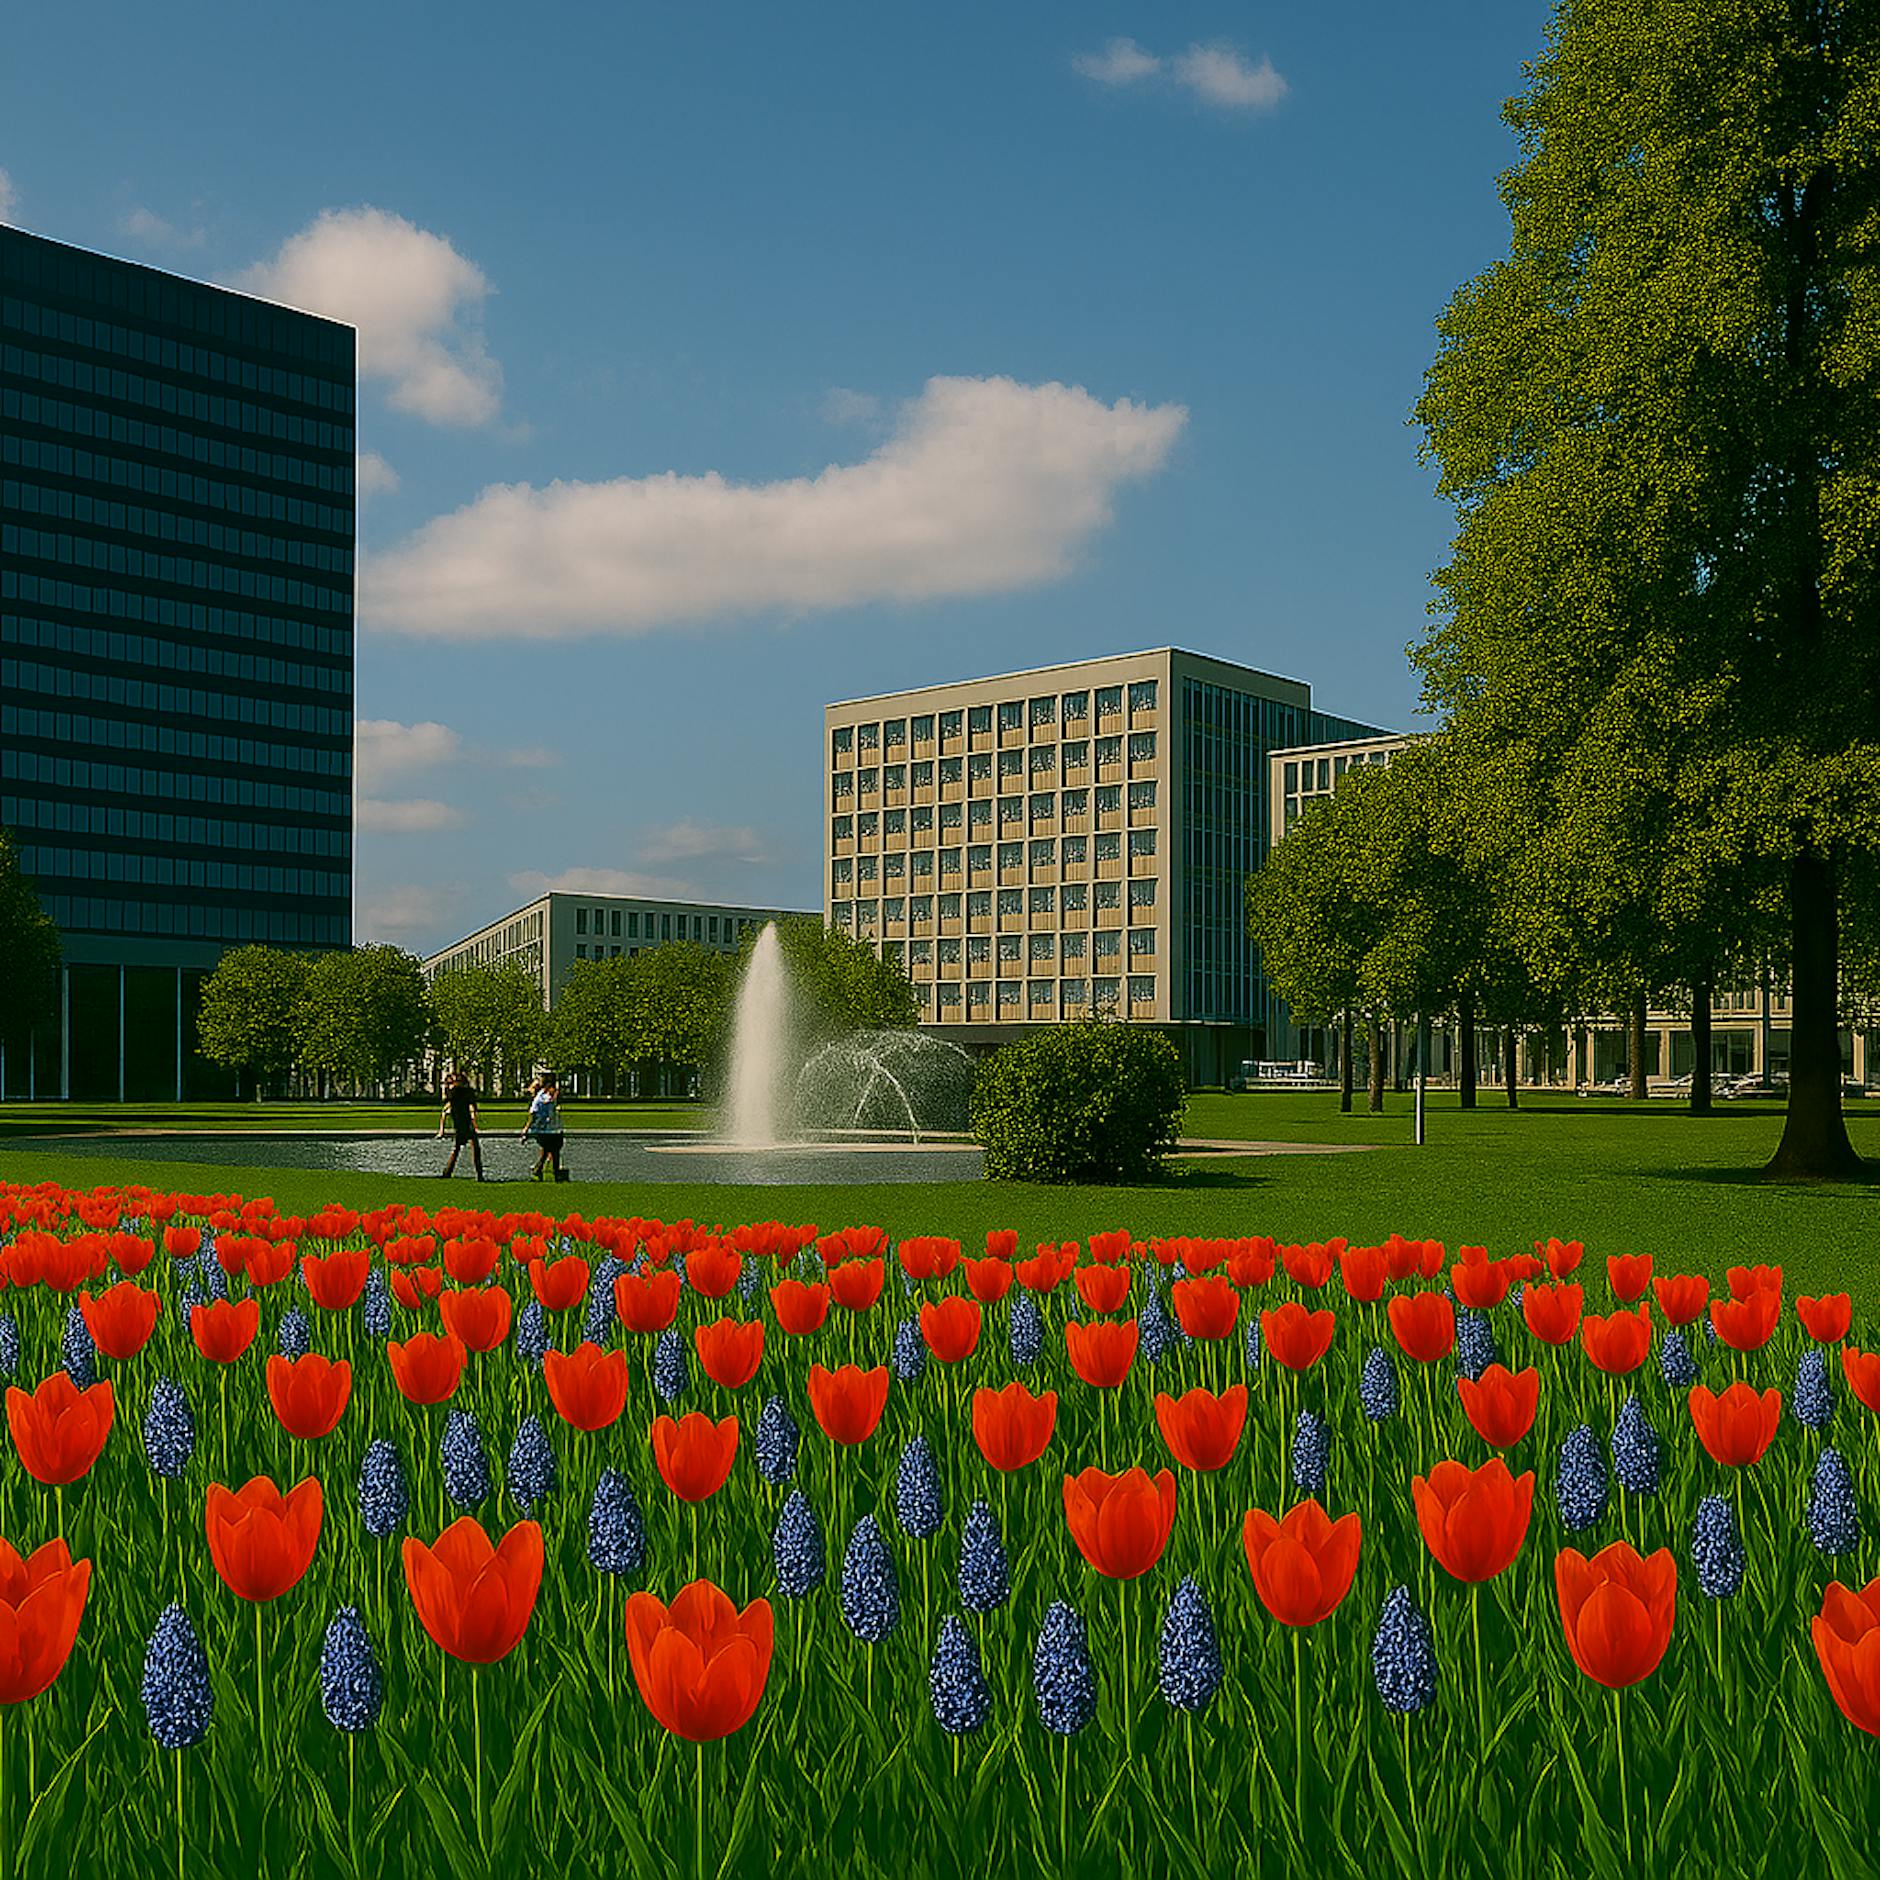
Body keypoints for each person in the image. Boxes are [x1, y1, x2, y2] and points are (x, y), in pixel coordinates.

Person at [436, 1070, 485, 1180]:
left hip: (462, 1122)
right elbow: (471, 1107)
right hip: (463, 1123)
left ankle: (447, 1173)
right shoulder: (462, 1093)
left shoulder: (456, 1093)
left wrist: (441, 1130)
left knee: (460, 1149)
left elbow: (446, 1110)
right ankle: (478, 1174)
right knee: (469, 1148)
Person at [521, 1072, 567, 1182]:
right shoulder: (541, 1098)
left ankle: (539, 1169)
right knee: (554, 1151)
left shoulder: (548, 1097)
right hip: (546, 1130)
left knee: (549, 1151)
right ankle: (555, 1174)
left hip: (552, 1129)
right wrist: (526, 1130)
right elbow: (533, 1114)